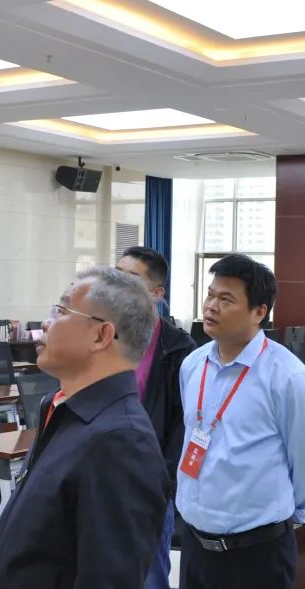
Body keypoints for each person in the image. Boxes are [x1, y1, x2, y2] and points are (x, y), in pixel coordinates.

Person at [0, 267, 171, 589]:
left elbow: (109, 579)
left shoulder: (120, 441)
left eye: (61, 311)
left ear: (101, 335)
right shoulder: (61, 407)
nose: (46, 323)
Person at [176, 254, 305, 589]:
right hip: (195, 545)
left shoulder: (287, 377)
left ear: (259, 312)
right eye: (210, 295)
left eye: (226, 299)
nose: (211, 306)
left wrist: (289, 517)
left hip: (257, 553)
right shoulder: (192, 365)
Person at [116, 246, 196, 589]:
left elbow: (183, 423)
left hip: (148, 481)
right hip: (99, 473)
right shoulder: (99, 336)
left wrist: (163, 480)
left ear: (157, 293)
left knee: (149, 575)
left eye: (131, 277)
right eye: (116, 274)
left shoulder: (178, 349)